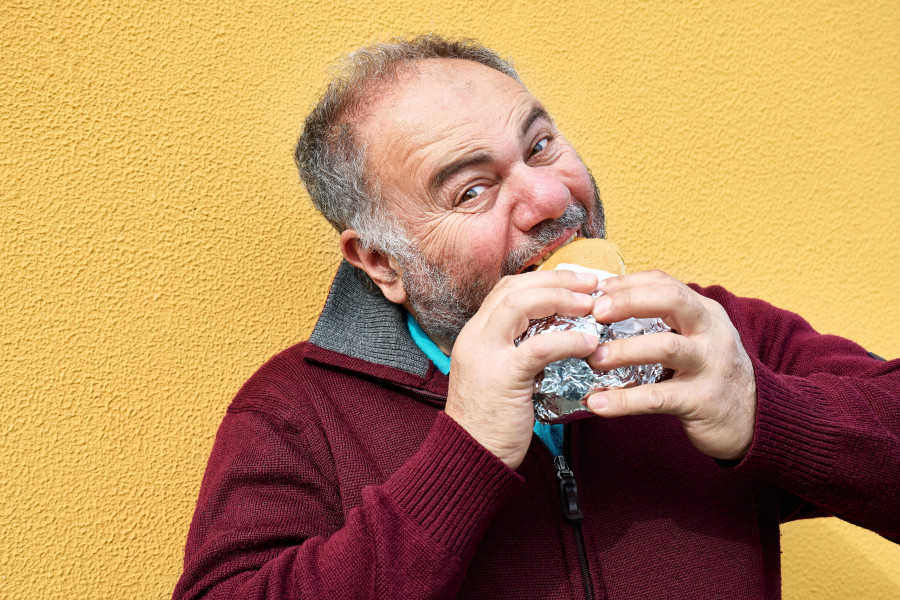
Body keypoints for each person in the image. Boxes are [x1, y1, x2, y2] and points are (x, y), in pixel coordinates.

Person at [173, 35, 900, 600]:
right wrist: (464, 455)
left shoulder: (706, 336)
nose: (550, 198)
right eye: (472, 190)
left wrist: (766, 412)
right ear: (383, 264)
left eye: (541, 145)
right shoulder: (296, 413)